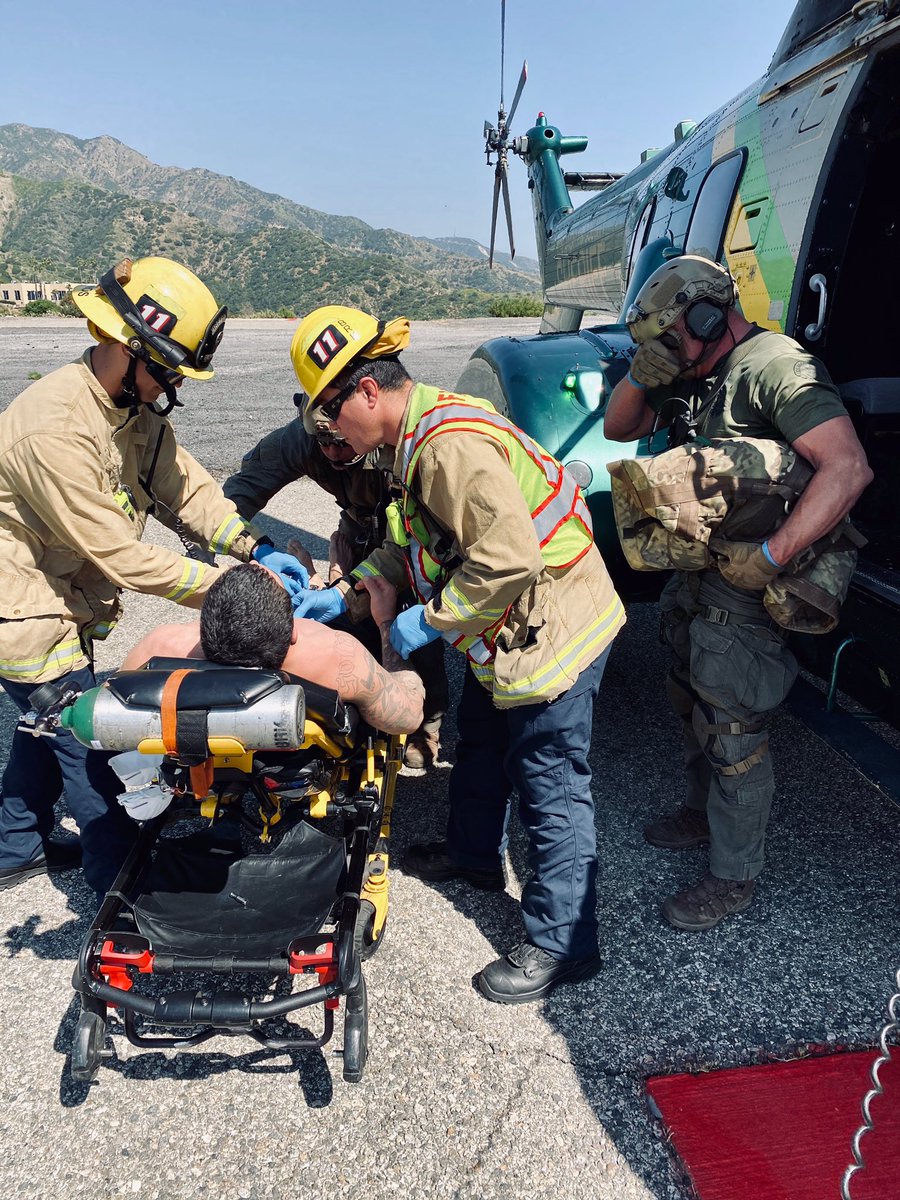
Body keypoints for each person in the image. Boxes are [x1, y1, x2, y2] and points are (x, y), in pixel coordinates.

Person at [285, 305, 626, 1005]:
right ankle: (473, 857)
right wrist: (353, 589)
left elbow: (507, 559)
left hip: (554, 627)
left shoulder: (445, 447)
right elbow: (414, 540)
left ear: (368, 392)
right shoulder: (411, 442)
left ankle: (567, 942)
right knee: (481, 742)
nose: (330, 435)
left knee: (550, 782)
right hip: (508, 631)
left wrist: (424, 624)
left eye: (330, 416)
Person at [0, 256, 307, 897]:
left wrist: (255, 546)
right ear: (126, 346)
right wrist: (230, 590)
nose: (170, 382)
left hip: (62, 594)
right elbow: (123, 556)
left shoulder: (131, 410)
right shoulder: (55, 429)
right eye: (165, 366)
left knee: (42, 729)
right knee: (86, 743)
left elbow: (186, 488)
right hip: (22, 606)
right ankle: (120, 889)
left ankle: (15, 843)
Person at [604, 254, 873, 931]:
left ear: (705, 314)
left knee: (733, 724)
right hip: (703, 569)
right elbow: (619, 427)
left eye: (672, 336)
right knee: (691, 692)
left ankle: (733, 876)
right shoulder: (701, 368)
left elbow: (848, 468)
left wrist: (772, 558)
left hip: (751, 577)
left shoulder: (772, 365)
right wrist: (643, 373)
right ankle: (702, 814)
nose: (668, 350)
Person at [223, 392, 448, 769]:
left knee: (417, 627)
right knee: (353, 621)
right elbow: (237, 495)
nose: (332, 454)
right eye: (323, 443)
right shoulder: (300, 440)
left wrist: (348, 589)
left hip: (414, 534)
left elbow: (416, 539)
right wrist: (245, 545)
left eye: (341, 443)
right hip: (361, 528)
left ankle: (426, 724)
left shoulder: (398, 442)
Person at [122, 563, 424, 736]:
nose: (258, 564)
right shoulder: (334, 653)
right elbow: (407, 718)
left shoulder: (161, 646)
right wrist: (385, 621)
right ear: (293, 633)